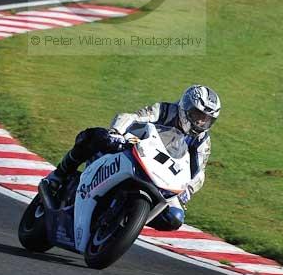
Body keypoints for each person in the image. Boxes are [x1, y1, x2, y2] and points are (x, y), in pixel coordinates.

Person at [44, 85, 221, 231]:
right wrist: (116, 133)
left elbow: (199, 172)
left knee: (174, 218)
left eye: (206, 120)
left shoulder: (202, 141)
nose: (200, 123)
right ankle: (59, 175)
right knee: (95, 136)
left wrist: (187, 190)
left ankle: (125, 223)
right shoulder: (165, 110)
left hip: (164, 175)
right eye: (198, 116)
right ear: (185, 107)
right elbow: (131, 117)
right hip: (136, 151)